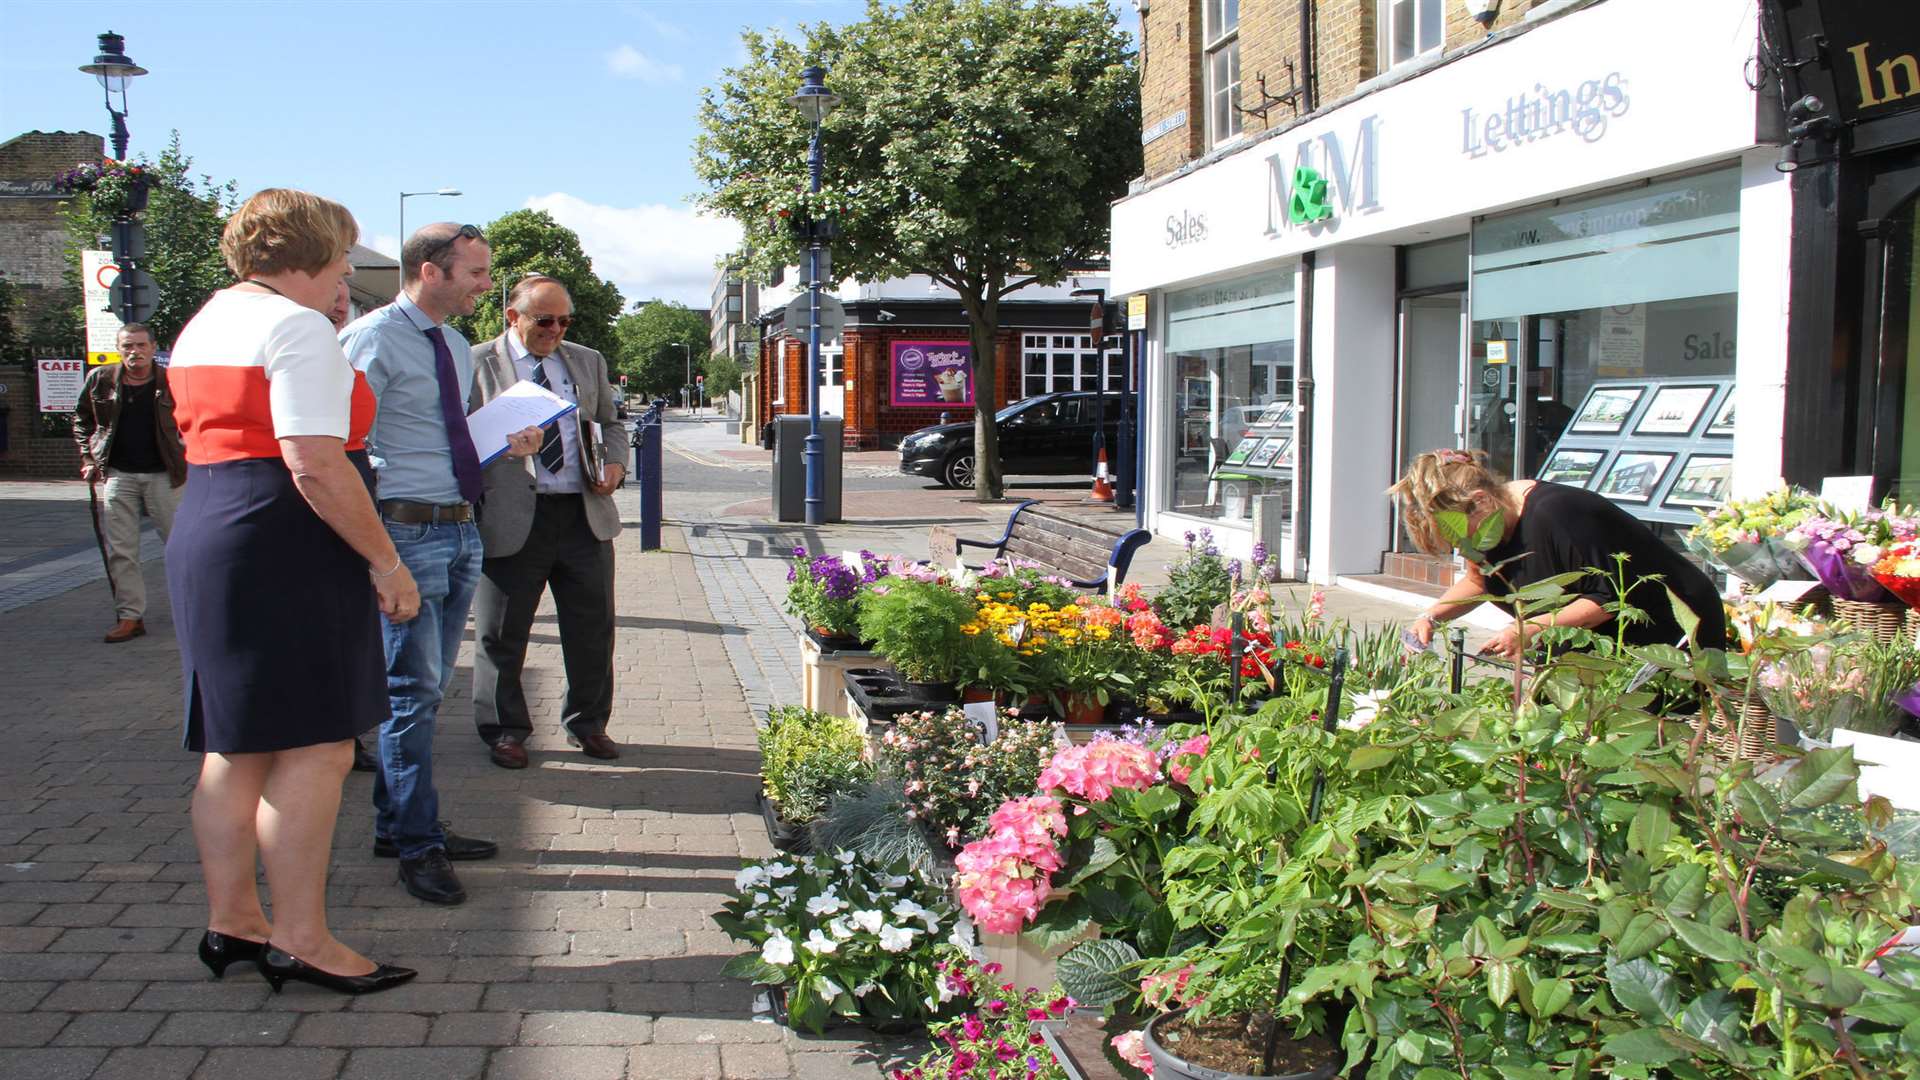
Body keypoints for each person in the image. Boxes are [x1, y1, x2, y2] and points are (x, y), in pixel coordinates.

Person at [165, 188, 417, 995]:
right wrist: (386, 562)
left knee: (232, 749)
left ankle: (234, 920)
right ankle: (303, 938)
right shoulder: (297, 325)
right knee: (317, 746)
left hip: (209, 525)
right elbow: (312, 459)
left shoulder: (207, 319)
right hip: (284, 537)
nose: (347, 268)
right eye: (342, 253)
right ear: (310, 255)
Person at [339, 224, 537, 906]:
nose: (487, 285)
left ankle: (400, 827)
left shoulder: (452, 344)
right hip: (407, 533)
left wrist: (503, 441)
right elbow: (344, 445)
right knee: (410, 695)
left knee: (425, 693)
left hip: (458, 528)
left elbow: (445, 434)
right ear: (430, 270)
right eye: (476, 272)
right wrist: (375, 551)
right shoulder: (370, 338)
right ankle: (416, 845)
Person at [470, 275, 629, 767]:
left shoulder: (586, 360)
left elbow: (612, 422)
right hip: (513, 514)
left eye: (564, 320)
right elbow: (457, 437)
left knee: (592, 628)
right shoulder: (474, 362)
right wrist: (498, 446)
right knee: (502, 631)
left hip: (582, 515)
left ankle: (588, 724)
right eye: (544, 320)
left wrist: (617, 465)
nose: (555, 329)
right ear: (512, 316)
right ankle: (506, 731)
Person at [1392, 448, 1727, 659]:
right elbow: (1479, 582)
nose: (1460, 545)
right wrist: (1430, 618)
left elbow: (1610, 597)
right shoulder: (1483, 527)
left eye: (1457, 532)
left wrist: (1531, 628)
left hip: (1666, 630)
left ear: (1481, 501)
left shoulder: (1558, 513)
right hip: (1594, 643)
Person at [72, 322, 187, 643]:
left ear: (153, 347)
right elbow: (82, 418)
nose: (134, 352)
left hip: (166, 474)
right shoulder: (101, 379)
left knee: (180, 547)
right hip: (118, 473)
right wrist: (88, 457)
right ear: (118, 348)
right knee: (121, 550)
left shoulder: (171, 382)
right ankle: (130, 616)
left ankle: (192, 610)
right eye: (127, 346)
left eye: (140, 345)